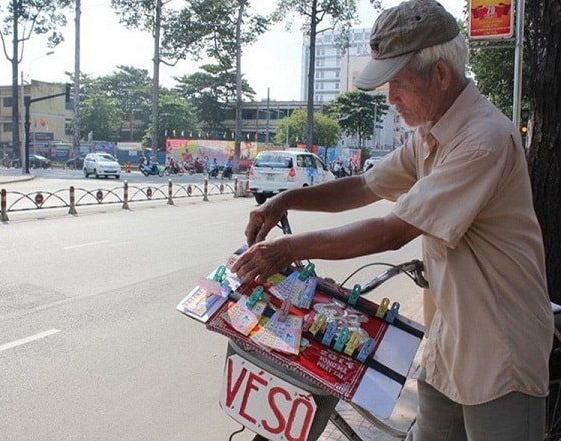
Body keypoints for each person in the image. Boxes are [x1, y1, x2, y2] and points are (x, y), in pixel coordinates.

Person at [231, 1, 554, 440]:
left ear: (440, 74)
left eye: (398, 84)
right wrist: (285, 201)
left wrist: (287, 249)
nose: (390, 98)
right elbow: (365, 185)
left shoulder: (483, 140)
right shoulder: (430, 134)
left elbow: (392, 231)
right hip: (449, 340)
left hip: (501, 348)